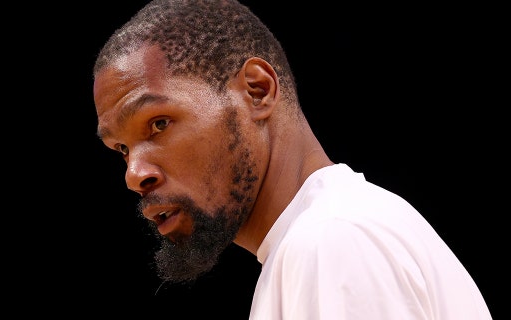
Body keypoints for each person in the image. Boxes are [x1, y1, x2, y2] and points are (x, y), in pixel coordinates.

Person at [91, 0, 492, 318]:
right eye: (122, 149)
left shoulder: (332, 240)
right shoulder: (321, 236)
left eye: (158, 123)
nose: (133, 174)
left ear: (257, 90)